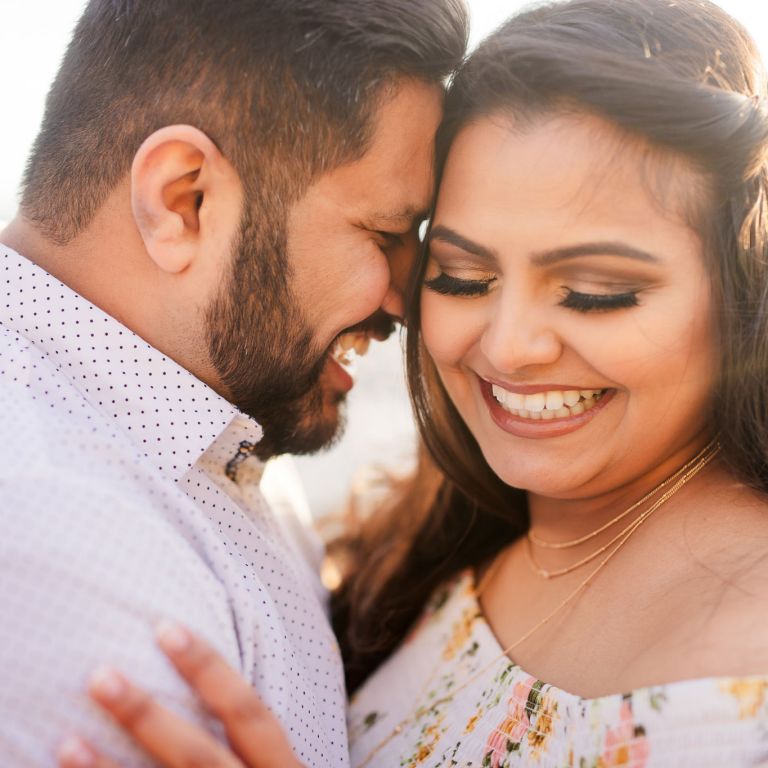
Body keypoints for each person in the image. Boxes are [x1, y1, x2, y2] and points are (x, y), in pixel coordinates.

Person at [57, 0, 768, 766]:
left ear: (740, 297)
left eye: (595, 292)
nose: (509, 347)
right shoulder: (422, 549)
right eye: (461, 278)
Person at [0, 0, 469, 765]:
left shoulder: (204, 424)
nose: (409, 300)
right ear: (184, 200)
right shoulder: (62, 544)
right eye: (384, 234)